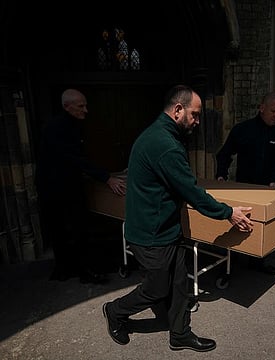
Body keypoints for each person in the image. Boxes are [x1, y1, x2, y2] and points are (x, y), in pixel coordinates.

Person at [102, 85, 253, 352]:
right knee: (156, 290)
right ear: (178, 110)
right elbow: (191, 191)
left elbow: (177, 186)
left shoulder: (159, 135)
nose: (196, 121)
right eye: (194, 115)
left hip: (167, 229)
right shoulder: (164, 145)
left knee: (180, 283)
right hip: (151, 235)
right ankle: (114, 311)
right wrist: (229, 213)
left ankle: (180, 334)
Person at [36, 89, 126, 283]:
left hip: (57, 186)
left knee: (64, 230)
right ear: (67, 106)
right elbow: (73, 158)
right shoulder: (59, 127)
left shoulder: (66, 125)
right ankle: (83, 271)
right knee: (75, 229)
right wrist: (106, 178)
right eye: (81, 106)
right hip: (59, 189)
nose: (86, 110)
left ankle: (65, 269)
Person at [215, 92, 275, 275]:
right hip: (245, 186)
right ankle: (231, 261)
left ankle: (258, 261)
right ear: (262, 108)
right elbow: (225, 154)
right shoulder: (243, 130)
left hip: (269, 187)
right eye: (274, 111)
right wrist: (221, 176)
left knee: (263, 227)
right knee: (240, 223)